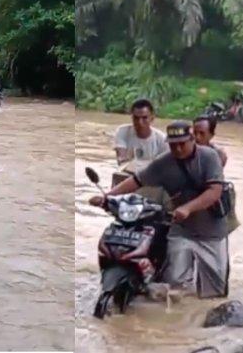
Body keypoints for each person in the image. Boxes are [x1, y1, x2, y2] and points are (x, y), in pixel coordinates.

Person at [91, 121, 230, 298]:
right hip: (182, 230)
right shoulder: (164, 162)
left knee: (215, 293)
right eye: (173, 145)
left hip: (212, 233)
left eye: (182, 143)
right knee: (172, 286)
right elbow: (137, 181)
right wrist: (108, 197)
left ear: (192, 139)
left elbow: (214, 191)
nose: (178, 149)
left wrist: (187, 208)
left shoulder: (209, 157)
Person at [114, 99, 169, 171]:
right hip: (128, 174)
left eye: (144, 118)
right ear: (132, 118)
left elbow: (165, 166)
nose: (140, 122)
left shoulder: (162, 139)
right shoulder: (122, 131)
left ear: (152, 118)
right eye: (136, 118)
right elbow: (122, 161)